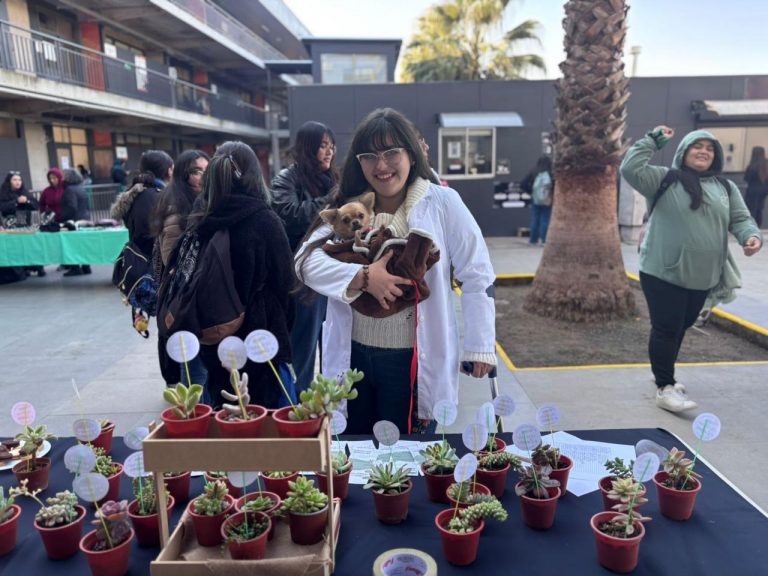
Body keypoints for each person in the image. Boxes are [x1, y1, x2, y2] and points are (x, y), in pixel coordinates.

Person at [295, 108, 496, 435]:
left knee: (407, 460)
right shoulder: (349, 207)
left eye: (391, 152)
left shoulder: (443, 203)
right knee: (356, 452)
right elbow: (304, 261)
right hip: (355, 357)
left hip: (410, 364)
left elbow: (477, 273)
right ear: (359, 162)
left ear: (412, 155)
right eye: (369, 155)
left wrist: (480, 344)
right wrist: (362, 278)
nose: (381, 164)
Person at [620, 126, 762, 413]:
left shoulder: (725, 188)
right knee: (667, 328)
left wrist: (750, 236)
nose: (704, 152)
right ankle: (664, 386)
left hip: (703, 275)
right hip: (663, 271)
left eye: (710, 148)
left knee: (680, 326)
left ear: (716, 156)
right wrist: (653, 139)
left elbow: (741, 217)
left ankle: (663, 371)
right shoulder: (663, 178)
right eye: (697, 146)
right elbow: (630, 168)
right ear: (684, 151)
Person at [188, 141, 295, 408]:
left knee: (222, 412)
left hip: (213, 337)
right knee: (265, 418)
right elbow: (285, 285)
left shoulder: (200, 219)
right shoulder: (265, 220)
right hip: (262, 337)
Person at [271, 121, 339, 394]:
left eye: (331, 146)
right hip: (305, 276)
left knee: (333, 341)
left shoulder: (334, 179)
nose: (329, 152)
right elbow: (288, 214)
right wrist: (331, 201)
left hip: (335, 270)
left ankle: (330, 400)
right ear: (307, 147)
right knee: (304, 343)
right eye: (322, 146)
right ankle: (299, 401)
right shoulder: (286, 178)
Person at [151, 149, 210, 391]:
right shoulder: (177, 212)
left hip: (195, 302)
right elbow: (173, 262)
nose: (203, 177)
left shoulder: (199, 205)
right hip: (185, 304)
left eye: (207, 171)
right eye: (196, 172)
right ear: (183, 176)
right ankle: (194, 423)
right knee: (195, 373)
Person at [110, 150, 173, 258]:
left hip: (140, 259)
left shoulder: (138, 193)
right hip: (151, 262)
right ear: (169, 171)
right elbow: (148, 236)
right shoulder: (154, 196)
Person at [60, 169, 92, 276]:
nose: (62, 178)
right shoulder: (80, 188)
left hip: (74, 220)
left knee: (72, 245)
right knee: (82, 244)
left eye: (63, 176)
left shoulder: (69, 189)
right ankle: (86, 266)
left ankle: (75, 268)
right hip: (84, 218)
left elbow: (71, 207)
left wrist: (63, 218)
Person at [522, 156, 553, 245]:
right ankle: (544, 240)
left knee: (535, 219)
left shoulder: (534, 171)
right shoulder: (551, 173)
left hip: (535, 199)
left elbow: (523, 183)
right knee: (545, 219)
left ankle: (533, 240)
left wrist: (531, 192)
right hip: (547, 200)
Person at [744, 146, 768, 228]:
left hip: (752, 190)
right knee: (759, 209)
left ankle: (751, 227)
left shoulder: (752, 165)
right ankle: (758, 227)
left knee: (751, 210)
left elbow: (746, 178)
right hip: (764, 190)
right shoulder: (766, 164)